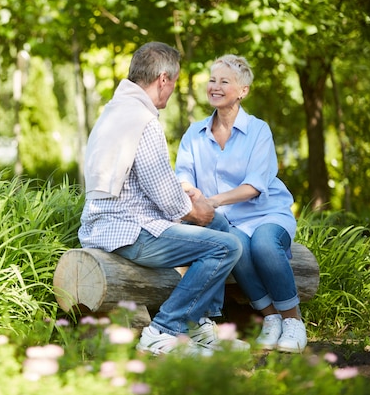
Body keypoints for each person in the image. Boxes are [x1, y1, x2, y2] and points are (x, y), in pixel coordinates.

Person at [78, 42, 249, 356]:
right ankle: (162, 331)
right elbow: (167, 201)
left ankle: (199, 325)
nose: (171, 90)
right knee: (227, 245)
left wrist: (185, 194)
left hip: (104, 225)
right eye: (174, 81)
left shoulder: (115, 111)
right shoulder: (145, 120)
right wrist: (196, 207)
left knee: (220, 225)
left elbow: (139, 180)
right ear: (163, 80)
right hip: (130, 232)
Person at [174, 54, 307, 353]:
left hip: (266, 213)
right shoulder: (194, 134)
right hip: (224, 221)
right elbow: (182, 175)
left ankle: (293, 320)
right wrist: (191, 194)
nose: (215, 86)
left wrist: (211, 200)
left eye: (224, 81)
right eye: (212, 80)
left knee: (262, 244)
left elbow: (255, 185)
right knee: (236, 247)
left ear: (243, 90)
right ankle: (271, 318)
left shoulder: (259, 130)